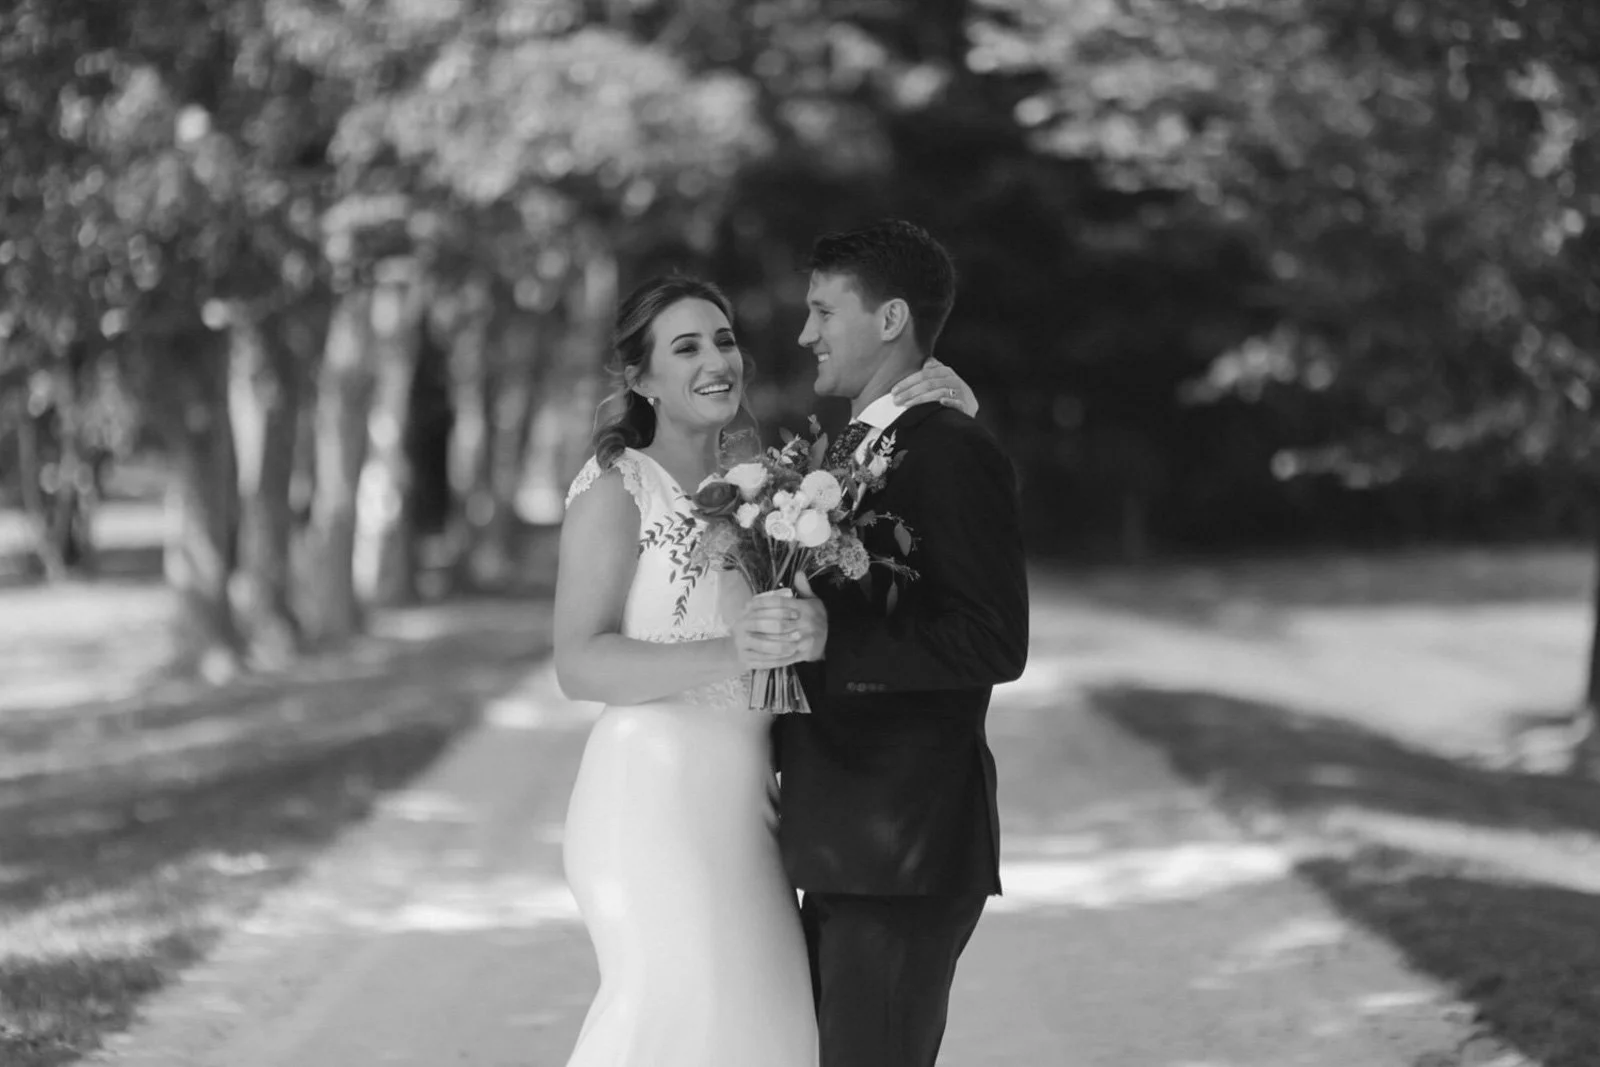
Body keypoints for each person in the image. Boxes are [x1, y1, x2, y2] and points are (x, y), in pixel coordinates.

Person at [554, 273, 980, 1067]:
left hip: (751, 811)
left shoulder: (759, 488)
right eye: (685, 347)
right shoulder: (617, 489)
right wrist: (734, 650)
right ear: (640, 378)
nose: (717, 358)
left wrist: (942, 414)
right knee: (671, 1014)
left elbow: (871, 533)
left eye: (722, 339)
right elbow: (578, 661)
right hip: (650, 799)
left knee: (770, 1035)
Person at [740, 220, 1030, 1067]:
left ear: (892, 316)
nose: (806, 333)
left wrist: (837, 635)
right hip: (849, 841)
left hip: (901, 848)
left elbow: (993, 640)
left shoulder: (948, 447)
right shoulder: (873, 446)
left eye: (824, 310)